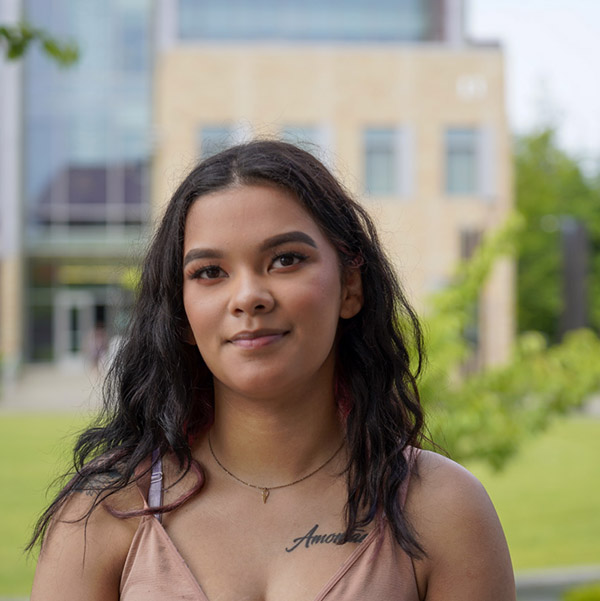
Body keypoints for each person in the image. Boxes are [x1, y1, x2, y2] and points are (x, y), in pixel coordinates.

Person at [29, 140, 515, 601]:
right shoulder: (103, 512)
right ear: (181, 315)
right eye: (209, 272)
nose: (248, 297)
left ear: (350, 287)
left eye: (285, 259)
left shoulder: (443, 510)